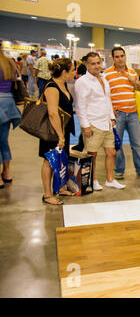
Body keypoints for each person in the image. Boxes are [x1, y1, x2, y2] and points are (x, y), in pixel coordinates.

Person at [74, 52, 125, 190]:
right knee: (92, 155)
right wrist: (85, 126)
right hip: (93, 124)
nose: (97, 66)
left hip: (107, 123)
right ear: (87, 65)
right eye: (93, 63)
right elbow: (80, 106)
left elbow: (107, 100)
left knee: (111, 152)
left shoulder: (104, 79)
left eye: (98, 63)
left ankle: (110, 180)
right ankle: (93, 180)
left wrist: (112, 118)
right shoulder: (82, 82)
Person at [104, 47, 140, 180]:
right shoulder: (107, 74)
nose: (120, 59)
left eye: (122, 56)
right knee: (117, 144)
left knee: (137, 143)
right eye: (117, 56)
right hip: (118, 114)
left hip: (133, 113)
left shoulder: (132, 72)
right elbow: (104, 94)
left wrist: (134, 82)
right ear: (113, 58)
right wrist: (110, 109)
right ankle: (119, 170)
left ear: (125, 57)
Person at [39, 58, 77, 205]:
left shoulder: (63, 84)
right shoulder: (52, 87)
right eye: (72, 70)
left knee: (60, 159)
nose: (74, 72)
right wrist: (60, 136)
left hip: (63, 129)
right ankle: (47, 195)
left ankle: (59, 188)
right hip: (52, 131)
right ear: (64, 72)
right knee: (49, 161)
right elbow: (53, 113)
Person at [0, 46, 21, 189]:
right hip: (9, 104)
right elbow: (15, 82)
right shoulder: (9, 62)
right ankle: (7, 173)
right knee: (3, 141)